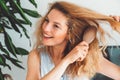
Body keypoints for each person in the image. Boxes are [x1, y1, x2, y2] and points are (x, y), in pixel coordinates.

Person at [26, 1, 120, 80]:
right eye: (46, 20)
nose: (46, 28)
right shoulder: (36, 56)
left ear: (69, 34)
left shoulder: (88, 58)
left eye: (56, 26)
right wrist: (67, 60)